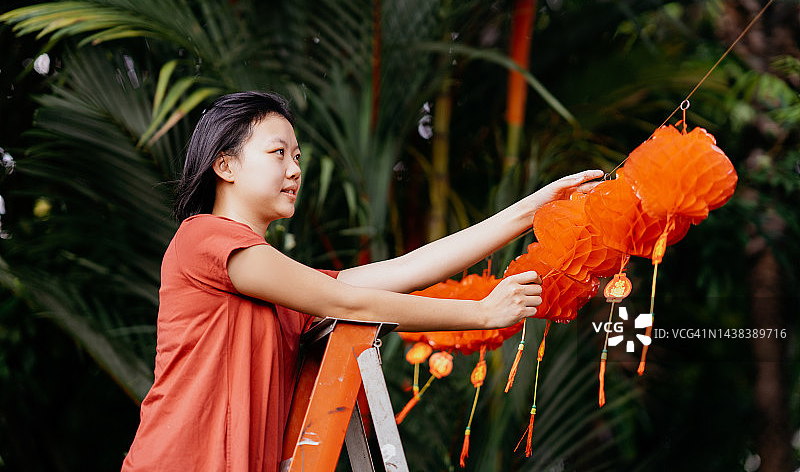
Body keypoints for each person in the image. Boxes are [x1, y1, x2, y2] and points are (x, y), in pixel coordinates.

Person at [121, 91, 602, 471]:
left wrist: (532, 210)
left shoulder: (282, 287)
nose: (295, 169)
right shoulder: (203, 237)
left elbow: (407, 269)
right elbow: (350, 302)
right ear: (224, 165)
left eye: (298, 156)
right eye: (278, 153)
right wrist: (480, 313)